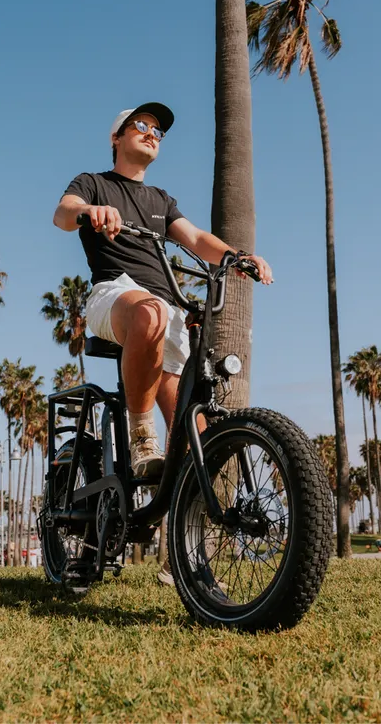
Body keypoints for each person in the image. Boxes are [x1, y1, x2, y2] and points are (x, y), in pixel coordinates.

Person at [52, 102, 273, 582]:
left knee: (195, 429)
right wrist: (91, 211)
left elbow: (195, 238)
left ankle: (186, 560)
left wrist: (238, 257)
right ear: (117, 137)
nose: (152, 134)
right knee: (150, 311)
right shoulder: (94, 183)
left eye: (159, 131)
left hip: (166, 308)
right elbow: (63, 215)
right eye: (142, 126)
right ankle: (139, 435)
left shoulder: (159, 199)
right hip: (116, 296)